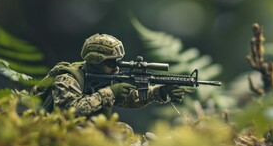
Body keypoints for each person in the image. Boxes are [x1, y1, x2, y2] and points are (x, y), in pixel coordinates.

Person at [31, 33, 187, 119]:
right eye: (111, 63)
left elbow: (130, 99)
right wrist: (110, 92)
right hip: (49, 126)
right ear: (95, 61)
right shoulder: (68, 78)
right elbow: (69, 111)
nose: (117, 67)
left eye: (118, 62)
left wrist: (159, 92)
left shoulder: (102, 77)